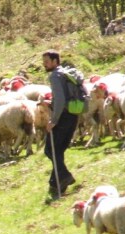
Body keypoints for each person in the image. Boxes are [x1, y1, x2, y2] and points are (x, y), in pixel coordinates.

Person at [42, 50, 77, 200]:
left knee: (50, 150)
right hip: (72, 115)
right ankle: (56, 183)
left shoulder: (55, 76)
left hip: (63, 118)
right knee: (58, 150)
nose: (45, 64)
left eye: (47, 61)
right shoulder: (64, 74)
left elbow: (61, 101)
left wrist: (53, 120)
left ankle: (65, 176)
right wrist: (50, 103)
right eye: (44, 62)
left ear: (56, 61)